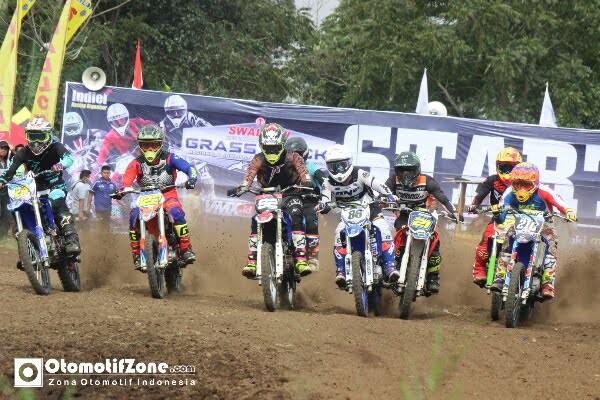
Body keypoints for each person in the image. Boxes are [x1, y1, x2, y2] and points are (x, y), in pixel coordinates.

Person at [114, 124, 198, 270]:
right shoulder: (136, 163)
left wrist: (192, 178)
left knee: (176, 213)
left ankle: (185, 249)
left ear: (160, 144)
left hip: (167, 195)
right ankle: (136, 255)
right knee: (134, 216)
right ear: (140, 145)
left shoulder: (170, 158)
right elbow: (126, 180)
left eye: (154, 145)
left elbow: (188, 167)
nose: (150, 149)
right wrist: (122, 190)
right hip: (146, 197)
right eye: (146, 145)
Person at [490, 162, 577, 299]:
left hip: (544, 224)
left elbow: (559, 202)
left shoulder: (544, 190)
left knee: (551, 243)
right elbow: (501, 219)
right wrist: (497, 214)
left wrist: (568, 211)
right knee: (507, 240)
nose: (521, 189)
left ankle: (547, 283)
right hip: (519, 223)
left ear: (535, 183)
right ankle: (500, 278)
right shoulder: (509, 192)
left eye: (526, 184)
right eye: (517, 184)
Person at [316, 144, 399, 287]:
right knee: (338, 234)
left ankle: (390, 266)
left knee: (383, 229)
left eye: (341, 165)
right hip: (346, 213)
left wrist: (389, 194)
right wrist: (322, 206)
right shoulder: (327, 183)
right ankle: (341, 271)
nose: (338, 170)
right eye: (333, 166)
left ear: (349, 163)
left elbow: (377, 184)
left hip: (369, 207)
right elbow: (325, 199)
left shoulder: (360, 174)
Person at [238, 123, 313, 278]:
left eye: (275, 148)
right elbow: (249, 175)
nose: (271, 152)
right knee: (256, 220)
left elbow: (304, 172)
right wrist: (243, 187)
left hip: (291, 195)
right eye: (268, 148)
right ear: (262, 146)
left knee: (296, 214)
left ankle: (300, 259)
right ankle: (252, 261)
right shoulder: (258, 159)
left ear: (283, 145)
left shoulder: (294, 157)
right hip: (267, 196)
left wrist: (307, 182)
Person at [0, 118, 81, 255]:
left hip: (55, 185)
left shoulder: (55, 146)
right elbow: (10, 170)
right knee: (21, 208)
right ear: (27, 137)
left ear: (48, 135)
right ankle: (28, 252)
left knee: (57, 204)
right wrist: (2, 180)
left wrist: (61, 164)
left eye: (40, 136)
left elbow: (69, 158)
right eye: (32, 136)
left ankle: (72, 239)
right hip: (34, 188)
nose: (36, 141)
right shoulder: (23, 152)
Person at [385, 151, 462, 294]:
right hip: (404, 216)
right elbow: (383, 193)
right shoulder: (392, 180)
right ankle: (392, 269)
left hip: (424, 216)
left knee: (434, 241)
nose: (406, 175)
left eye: (410, 171)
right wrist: (382, 201)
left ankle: (433, 277)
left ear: (417, 170)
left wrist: (454, 212)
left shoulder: (427, 181)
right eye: (402, 171)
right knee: (399, 239)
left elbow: (442, 198)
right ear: (396, 171)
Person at [467, 147, 522, 286]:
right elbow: (480, 195)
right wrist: (474, 205)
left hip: (520, 220)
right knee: (487, 238)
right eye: (504, 168)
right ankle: (479, 270)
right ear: (498, 167)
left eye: (511, 168)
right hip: (499, 217)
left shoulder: (524, 183)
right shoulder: (492, 180)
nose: (507, 173)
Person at [285, 136, 325, 269]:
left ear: (304, 154)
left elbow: (323, 180)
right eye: (291, 153)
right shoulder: (283, 167)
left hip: (308, 201)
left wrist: (324, 187)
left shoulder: (311, 167)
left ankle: (312, 257)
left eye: (297, 153)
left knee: (310, 221)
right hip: (288, 200)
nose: (294, 156)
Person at [94, 103, 154, 172]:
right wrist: (97, 167)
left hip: (149, 156)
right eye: (115, 122)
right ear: (110, 122)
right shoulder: (110, 136)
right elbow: (103, 152)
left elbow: (157, 128)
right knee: (116, 175)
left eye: (121, 120)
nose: (119, 123)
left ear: (126, 117)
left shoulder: (138, 122)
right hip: (128, 163)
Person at [0, 140, 11, 239]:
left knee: (7, 212)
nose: (3, 150)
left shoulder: (9, 162)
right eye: (1, 148)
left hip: (6, 191)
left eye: (5, 149)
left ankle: (3, 234)